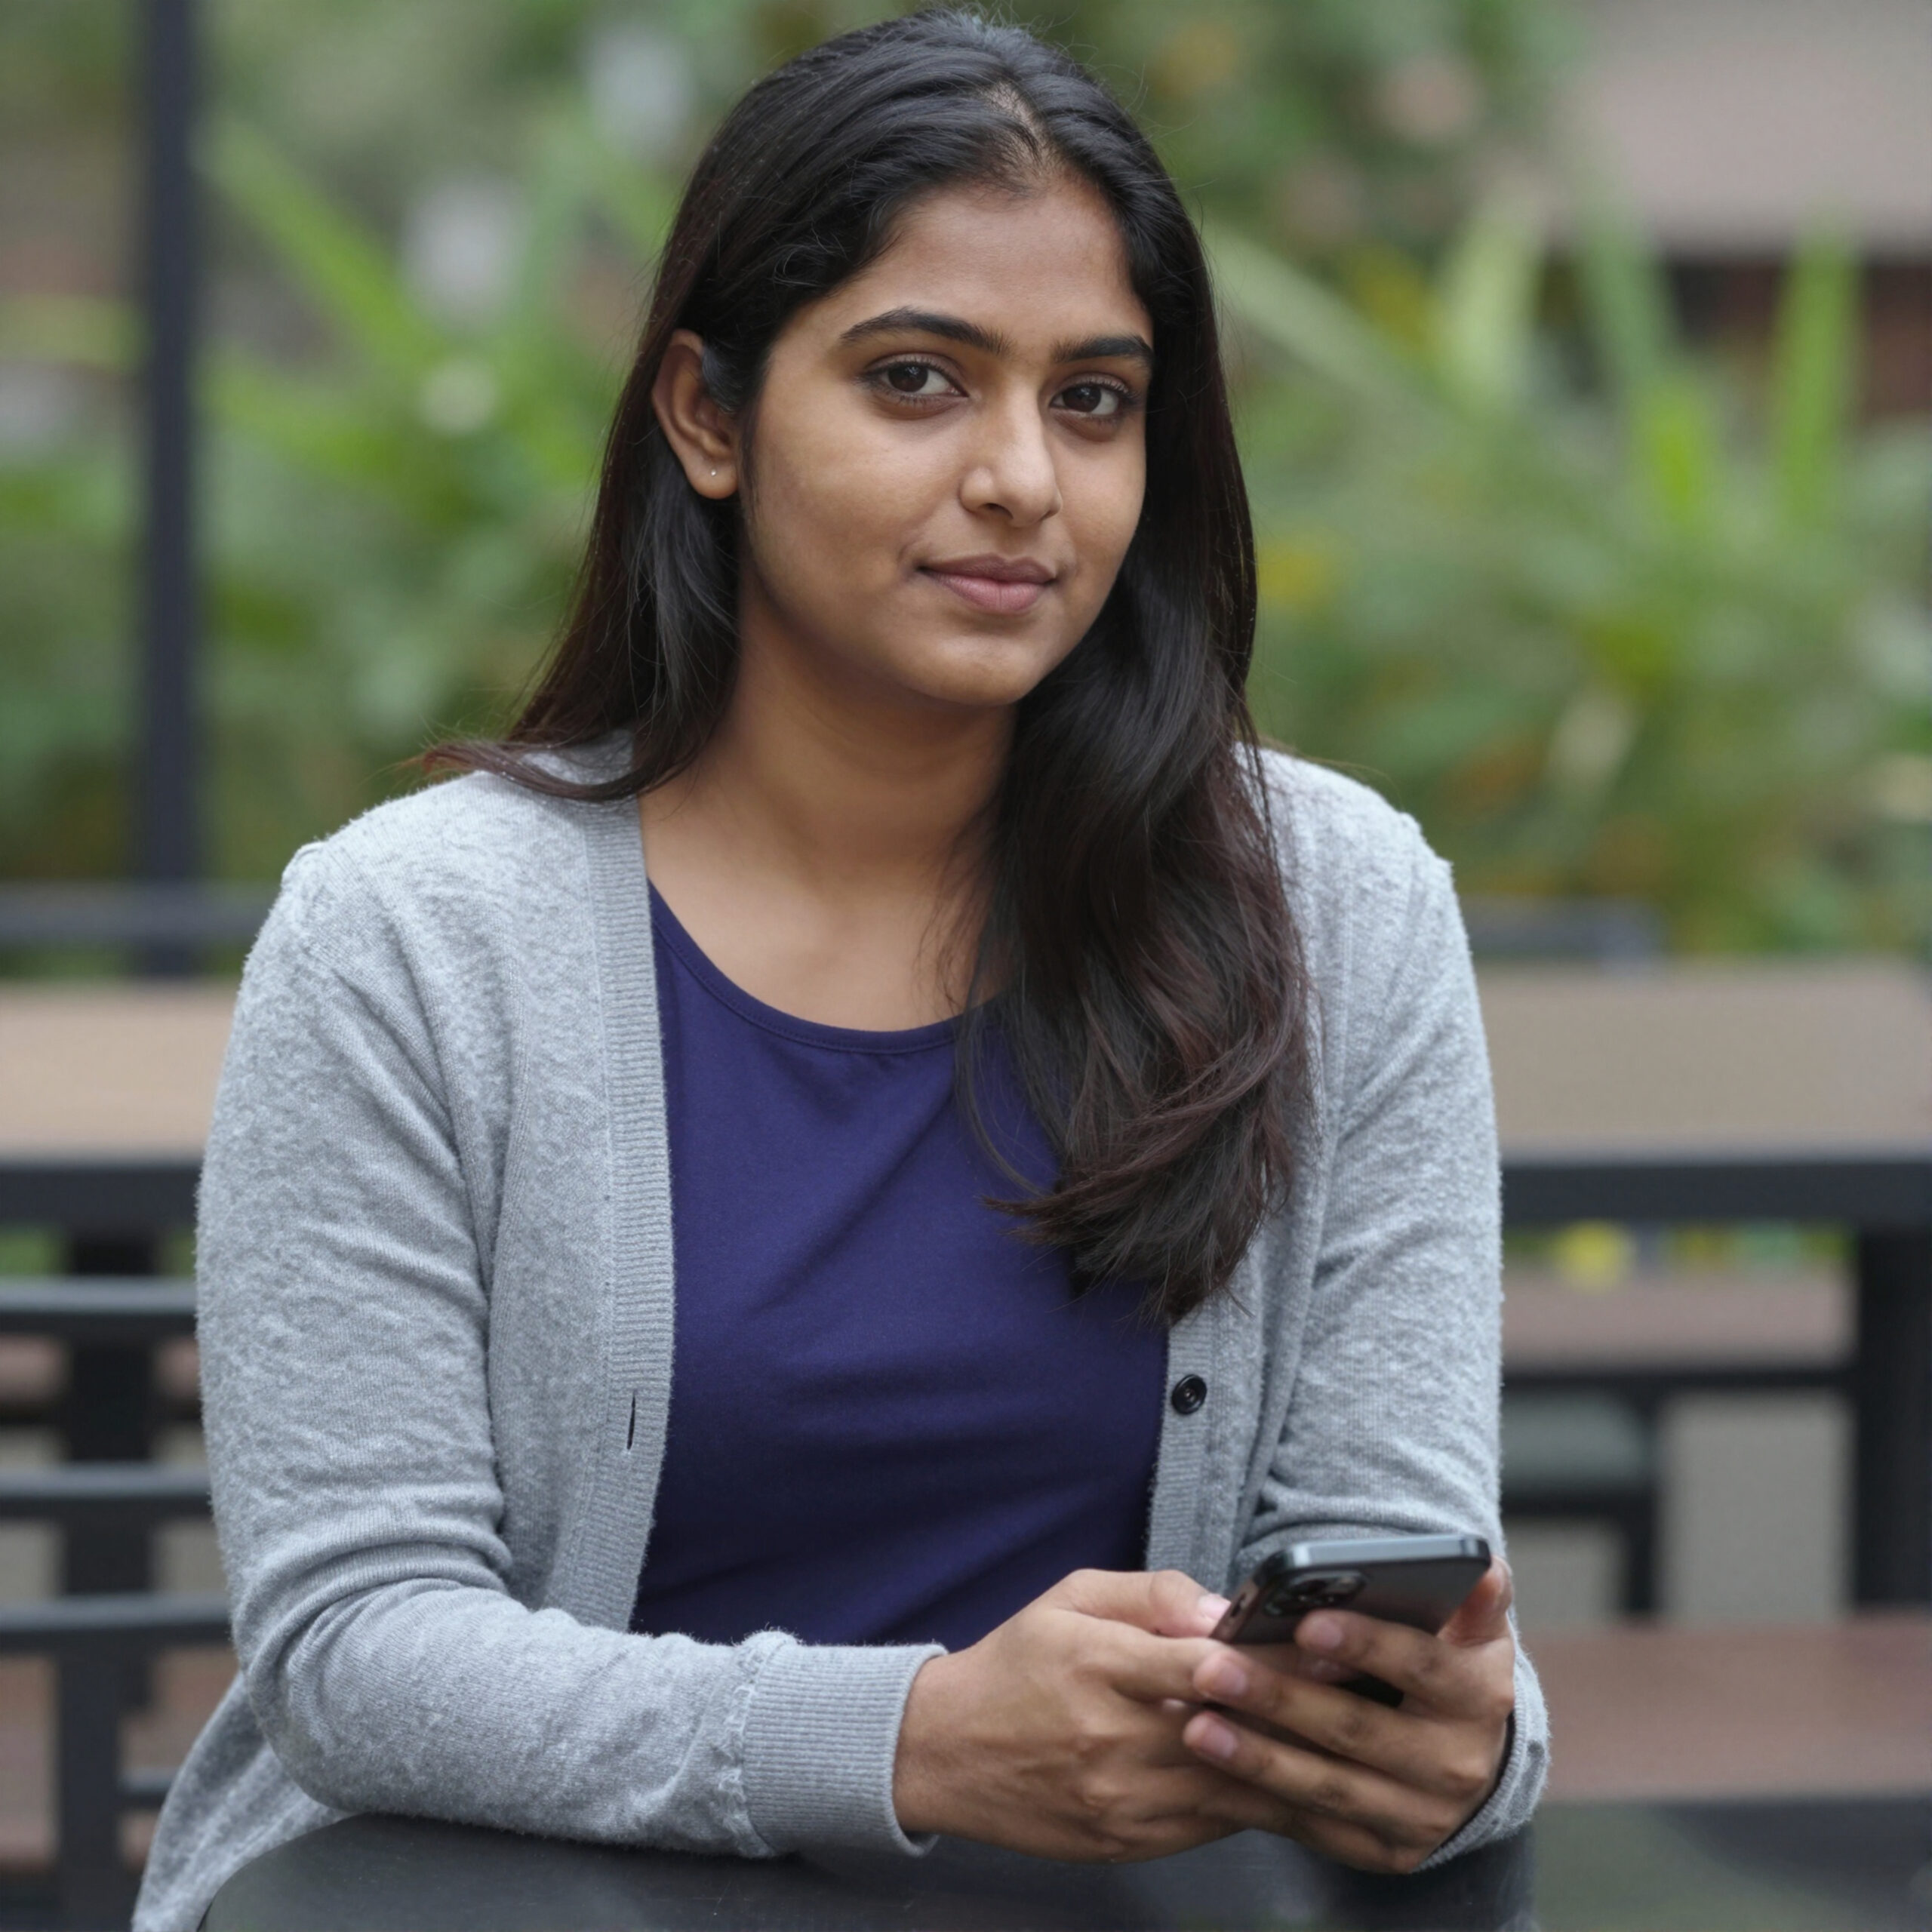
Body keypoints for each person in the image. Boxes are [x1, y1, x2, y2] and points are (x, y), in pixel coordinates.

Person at [134, 11, 1548, 1928]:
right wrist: (903, 1739)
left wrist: (1453, 1739)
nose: (1020, 478)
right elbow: (355, 1648)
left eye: (1093, 400)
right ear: (706, 416)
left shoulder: (1334, 906)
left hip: (1106, 1894)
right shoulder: (413, 936)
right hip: (535, 1891)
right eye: (914, 380)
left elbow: (1388, 1561)